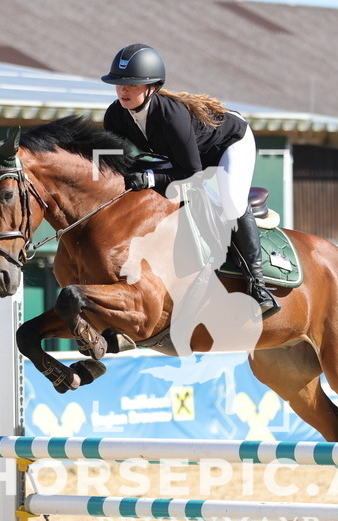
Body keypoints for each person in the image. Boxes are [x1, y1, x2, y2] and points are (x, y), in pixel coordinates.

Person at [101, 43, 280, 317]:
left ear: (151, 87)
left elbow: (193, 173)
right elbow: (113, 162)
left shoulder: (171, 115)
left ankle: (258, 285)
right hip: (183, 156)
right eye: (119, 84)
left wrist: (149, 178)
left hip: (228, 146)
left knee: (230, 202)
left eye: (131, 85)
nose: (123, 90)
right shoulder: (115, 115)